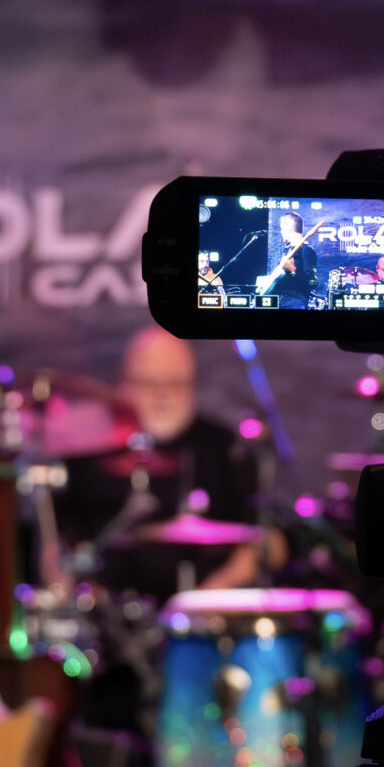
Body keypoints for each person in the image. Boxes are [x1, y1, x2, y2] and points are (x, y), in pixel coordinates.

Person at [58, 325, 267, 595]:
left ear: (193, 384)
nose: (162, 395)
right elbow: (57, 541)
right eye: (148, 383)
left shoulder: (225, 449)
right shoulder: (86, 450)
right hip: (104, 608)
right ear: (123, 383)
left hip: (204, 608)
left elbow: (267, 538)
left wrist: (215, 593)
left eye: (175, 383)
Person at [263, 209, 320, 308]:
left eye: (282, 228)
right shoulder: (287, 250)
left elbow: (313, 282)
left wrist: (293, 270)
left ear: (288, 228)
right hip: (278, 299)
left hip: (294, 301)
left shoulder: (307, 250)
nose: (280, 231)